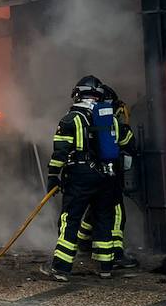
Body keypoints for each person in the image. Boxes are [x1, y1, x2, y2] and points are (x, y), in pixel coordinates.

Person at [46, 76, 137, 282]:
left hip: (80, 177)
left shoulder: (71, 119)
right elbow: (128, 141)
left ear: (78, 94)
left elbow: (60, 151)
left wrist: (53, 175)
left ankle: (61, 268)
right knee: (104, 218)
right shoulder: (110, 118)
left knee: (70, 219)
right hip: (107, 177)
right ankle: (105, 267)